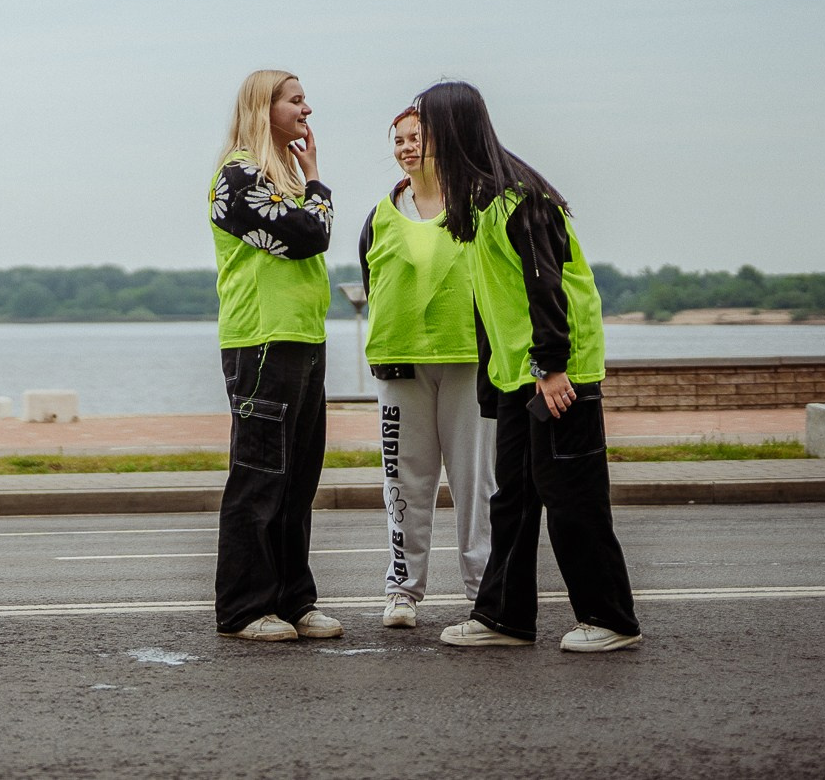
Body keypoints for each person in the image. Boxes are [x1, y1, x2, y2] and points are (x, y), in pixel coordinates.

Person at [417, 81, 643, 654]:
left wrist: (552, 367)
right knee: (512, 501)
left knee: (573, 499)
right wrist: (495, 382)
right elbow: (492, 302)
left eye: (425, 126)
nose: (418, 137)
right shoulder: (476, 207)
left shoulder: (519, 200)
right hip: (518, 376)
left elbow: (547, 289)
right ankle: (503, 618)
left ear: (451, 130)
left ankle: (612, 620)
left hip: (558, 374)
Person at [208, 69, 341, 642]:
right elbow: (310, 235)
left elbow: (310, 229)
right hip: (262, 340)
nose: (306, 110)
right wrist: (317, 181)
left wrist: (305, 182)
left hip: (303, 339)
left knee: (298, 481)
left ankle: (293, 599)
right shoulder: (237, 177)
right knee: (260, 477)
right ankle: (244, 608)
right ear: (264, 108)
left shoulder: (279, 176)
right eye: (295, 100)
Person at [358, 103, 495, 629]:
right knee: (404, 481)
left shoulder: (476, 205)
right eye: (399, 140)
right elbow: (375, 284)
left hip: (467, 361)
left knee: (475, 483)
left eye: (417, 137)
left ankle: (486, 591)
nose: (407, 147)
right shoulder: (382, 214)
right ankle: (402, 590)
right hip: (401, 365)